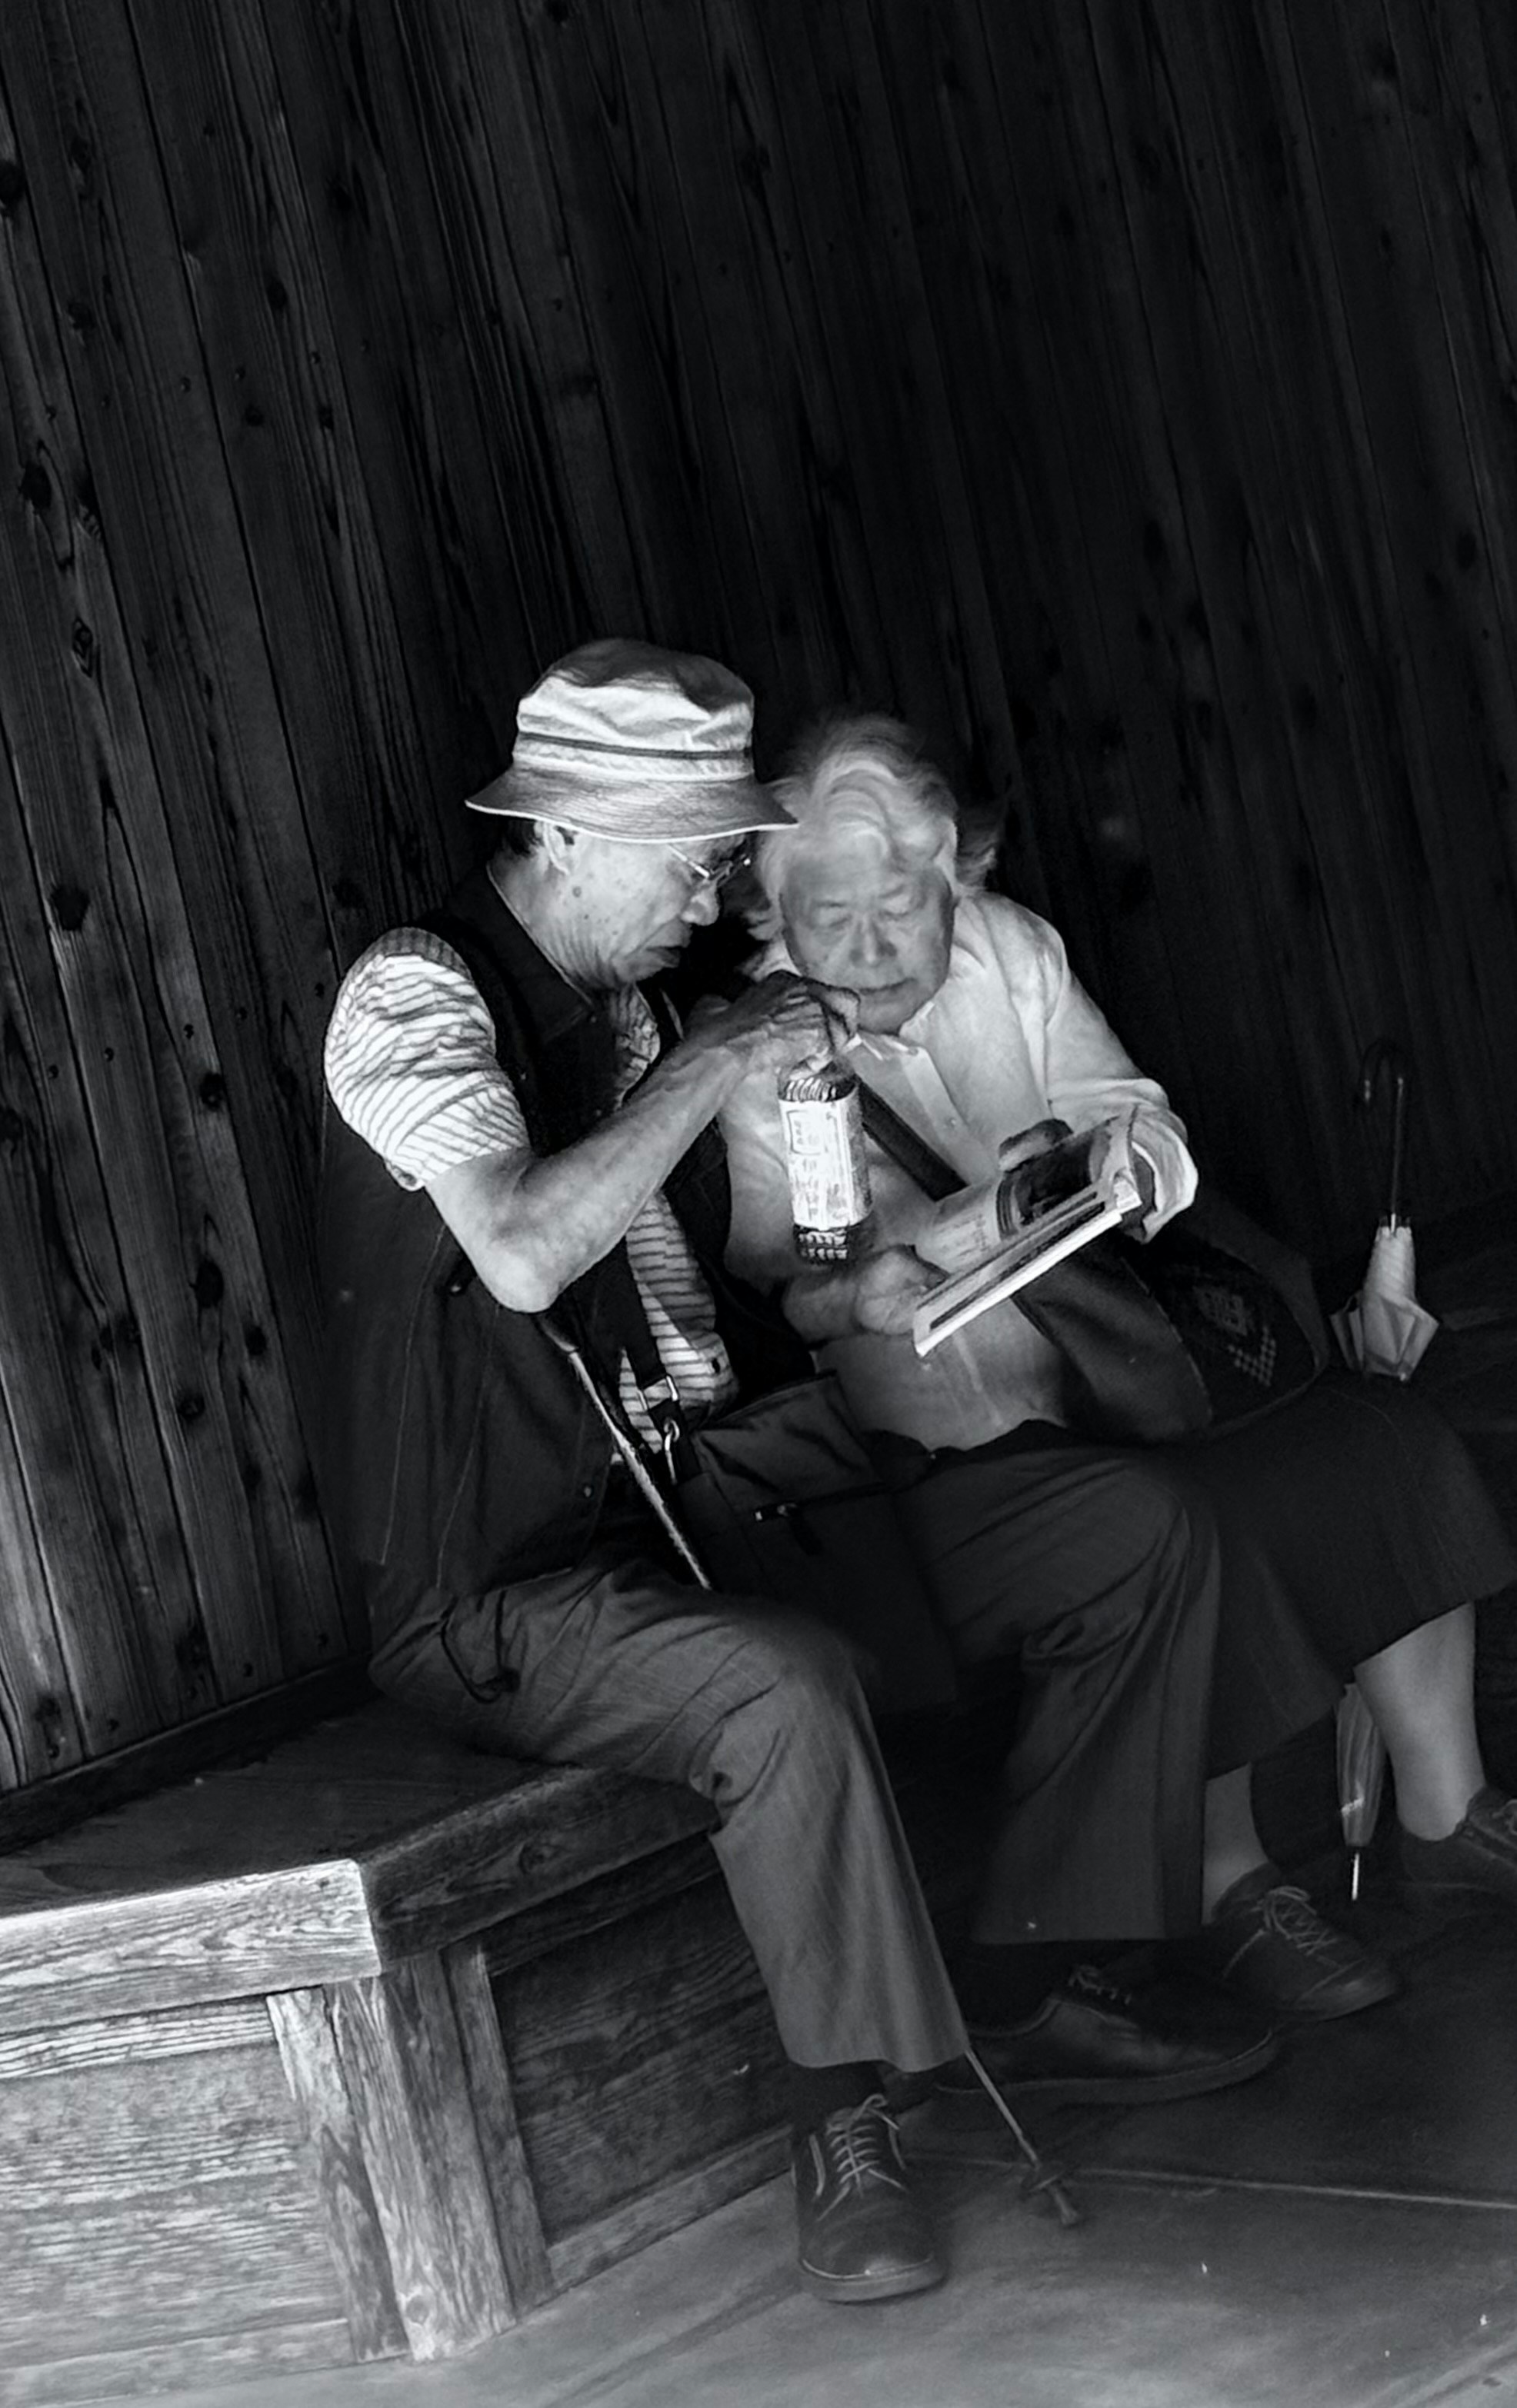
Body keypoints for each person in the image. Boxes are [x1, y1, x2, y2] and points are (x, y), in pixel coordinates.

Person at [317, 641, 1279, 2312]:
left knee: (1131, 1530)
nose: (711, 893)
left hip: (729, 1494)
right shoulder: (411, 997)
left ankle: (1025, 1970)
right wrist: (710, 1065)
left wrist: (861, 1284)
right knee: (787, 1689)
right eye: (691, 855)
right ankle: (841, 2121)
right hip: (509, 1577)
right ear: (567, 837)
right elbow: (529, 1255)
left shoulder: (640, 1008)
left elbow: (755, 1284)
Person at [718, 711, 1517, 2047]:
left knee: (1371, 1434)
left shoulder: (1009, 950)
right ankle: (1228, 1886)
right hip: (951, 1447)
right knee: (1178, 1526)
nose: (867, 946)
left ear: (953, 878)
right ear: (770, 911)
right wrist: (988, 1217)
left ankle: (1447, 1813)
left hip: (1117, 1372)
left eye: (900, 904)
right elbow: (787, 1281)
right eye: (827, 914)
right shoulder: (757, 1057)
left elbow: (1126, 1104)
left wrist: (1129, 1167)